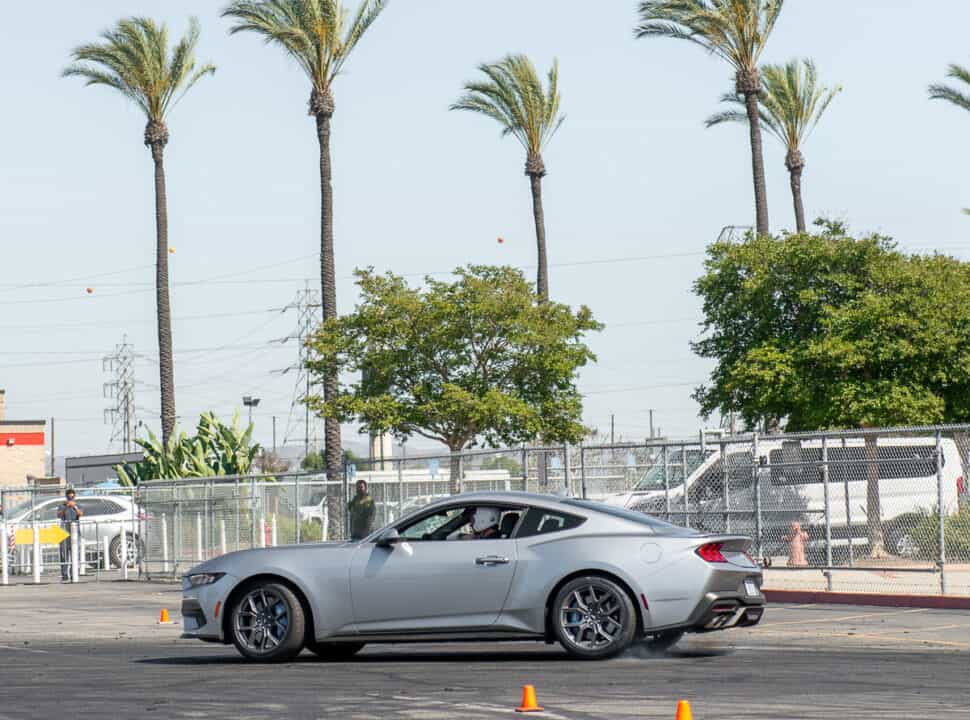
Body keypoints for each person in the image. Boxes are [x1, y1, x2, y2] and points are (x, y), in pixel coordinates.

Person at [56, 488, 83, 581]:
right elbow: (59, 515)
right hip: (64, 532)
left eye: (72, 495)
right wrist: (66, 506)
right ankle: (64, 575)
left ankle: (74, 573)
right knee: (64, 554)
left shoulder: (78, 505)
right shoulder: (62, 506)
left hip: (75, 533)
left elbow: (80, 514)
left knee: (75, 553)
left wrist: (74, 507)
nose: (70, 497)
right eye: (68, 495)